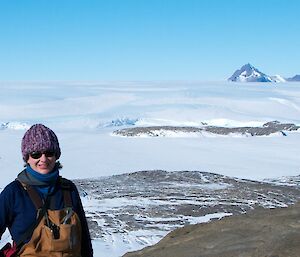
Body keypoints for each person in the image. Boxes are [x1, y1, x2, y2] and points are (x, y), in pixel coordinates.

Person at [0, 124, 93, 256]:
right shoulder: (13, 193)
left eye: (49, 153)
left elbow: (84, 242)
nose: (43, 159)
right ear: (27, 158)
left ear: (56, 156)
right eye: (36, 154)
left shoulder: (68, 189)